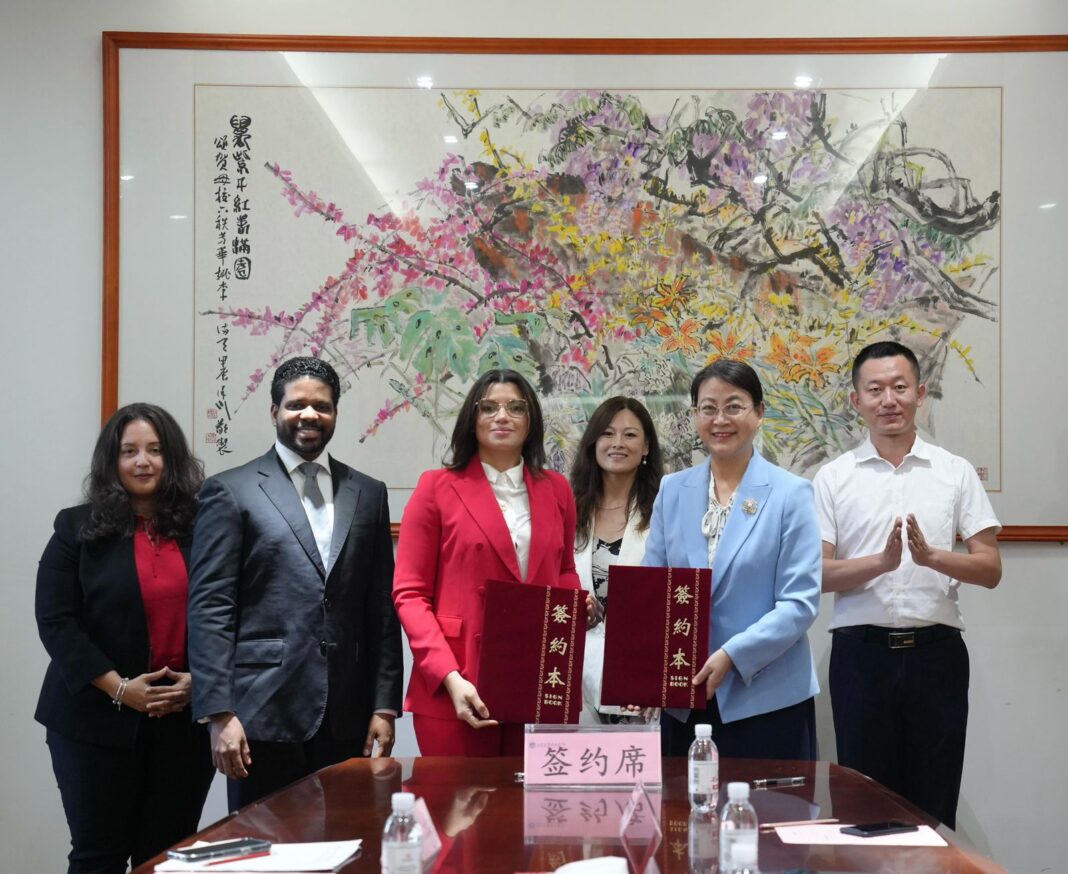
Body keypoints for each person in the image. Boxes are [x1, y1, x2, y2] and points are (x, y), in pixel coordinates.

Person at [188, 356, 403, 811]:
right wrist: (219, 712)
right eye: (296, 405)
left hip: (347, 713)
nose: (309, 415)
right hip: (260, 712)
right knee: (266, 843)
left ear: (335, 413)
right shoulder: (231, 490)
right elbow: (211, 607)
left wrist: (385, 706)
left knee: (349, 838)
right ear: (274, 412)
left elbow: (381, 608)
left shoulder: (368, 493)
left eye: (322, 406)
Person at [813, 341, 1001, 829]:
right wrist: (881, 563)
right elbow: (816, 574)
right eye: (875, 389)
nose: (888, 400)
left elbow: (990, 569)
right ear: (856, 400)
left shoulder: (954, 471)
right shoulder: (833, 478)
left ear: (920, 393)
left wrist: (932, 557)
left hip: (936, 657)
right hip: (860, 658)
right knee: (864, 807)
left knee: (932, 807)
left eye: (899, 387)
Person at [34, 403, 214, 873]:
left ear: (172, 458)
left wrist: (202, 682)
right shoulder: (75, 528)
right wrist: (118, 688)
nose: (143, 461)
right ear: (111, 460)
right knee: (99, 855)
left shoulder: (204, 527)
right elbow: (56, 621)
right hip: (93, 721)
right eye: (129, 451)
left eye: (155, 450)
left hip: (182, 721)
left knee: (169, 857)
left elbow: (229, 613)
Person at [393, 368, 582, 755]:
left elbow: (564, 569)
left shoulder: (557, 489)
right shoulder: (436, 487)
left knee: (531, 795)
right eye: (489, 407)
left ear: (531, 420)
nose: (502, 416)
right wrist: (449, 675)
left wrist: (576, 603)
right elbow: (410, 594)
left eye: (516, 407)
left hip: (535, 678)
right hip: (458, 679)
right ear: (472, 418)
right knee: (458, 796)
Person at [643, 359, 822, 759]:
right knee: (682, 800)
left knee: (767, 801)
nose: (720, 419)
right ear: (695, 416)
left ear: (759, 413)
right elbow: (652, 591)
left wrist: (732, 655)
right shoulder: (672, 490)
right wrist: (642, 674)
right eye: (708, 408)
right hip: (684, 695)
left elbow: (800, 603)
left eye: (734, 406)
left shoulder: (791, 494)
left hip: (766, 699)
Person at [570, 396, 663, 724]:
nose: (618, 443)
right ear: (593, 443)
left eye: (630, 435)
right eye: (607, 433)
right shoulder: (567, 509)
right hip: (574, 676)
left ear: (646, 446)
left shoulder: (665, 511)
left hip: (640, 682)